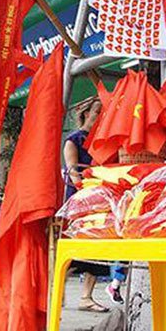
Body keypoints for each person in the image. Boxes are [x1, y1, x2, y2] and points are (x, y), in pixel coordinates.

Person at [62, 99, 111, 313]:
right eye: (97, 111)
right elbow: (74, 174)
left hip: (101, 202)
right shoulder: (73, 141)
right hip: (81, 202)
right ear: (86, 113)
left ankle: (86, 297)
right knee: (74, 251)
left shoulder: (104, 141)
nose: (100, 115)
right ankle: (56, 289)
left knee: (98, 252)